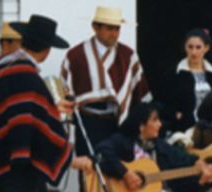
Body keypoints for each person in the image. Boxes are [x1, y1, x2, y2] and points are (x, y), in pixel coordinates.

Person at [0, 14, 72, 192]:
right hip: (20, 172)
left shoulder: (1, 64)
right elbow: (32, 123)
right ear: (46, 50)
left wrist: (53, 107)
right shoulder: (28, 77)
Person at [62, 6, 151, 181]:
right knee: (89, 174)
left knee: (120, 174)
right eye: (110, 28)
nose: (115, 34)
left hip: (118, 124)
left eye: (117, 29)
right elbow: (65, 91)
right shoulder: (76, 55)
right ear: (96, 27)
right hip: (88, 124)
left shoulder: (127, 55)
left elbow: (139, 92)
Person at [95, 102, 212, 192]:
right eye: (155, 120)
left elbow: (178, 178)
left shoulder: (162, 147)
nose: (160, 124)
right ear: (142, 125)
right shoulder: (121, 140)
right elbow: (101, 150)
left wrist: (200, 181)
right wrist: (126, 174)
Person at [160, 28, 212, 135]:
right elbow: (160, 102)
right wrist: (176, 115)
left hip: (209, 129)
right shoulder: (174, 73)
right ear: (185, 47)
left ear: (206, 48)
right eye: (190, 47)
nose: (194, 52)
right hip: (184, 129)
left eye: (198, 47)